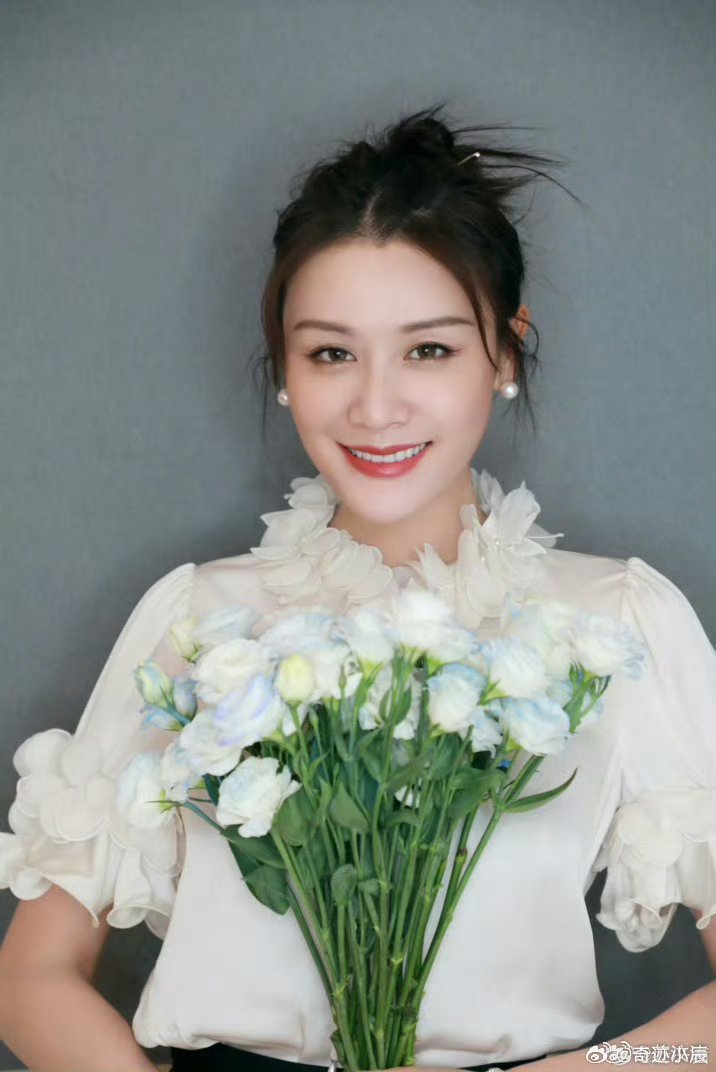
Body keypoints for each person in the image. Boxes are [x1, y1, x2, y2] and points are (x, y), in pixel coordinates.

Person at [0, 103, 714, 1072]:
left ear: (504, 352)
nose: (375, 407)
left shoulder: (615, 626)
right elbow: (30, 976)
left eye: (429, 349)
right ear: (285, 366)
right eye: (330, 352)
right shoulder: (200, 623)